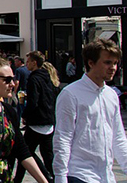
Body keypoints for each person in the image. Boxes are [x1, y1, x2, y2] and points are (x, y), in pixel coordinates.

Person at [53, 39, 127, 183]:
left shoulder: (111, 94)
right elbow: (63, 137)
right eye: (107, 62)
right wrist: (60, 176)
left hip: (106, 176)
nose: (113, 67)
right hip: (80, 174)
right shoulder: (71, 94)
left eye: (115, 63)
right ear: (91, 63)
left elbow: (118, 137)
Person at [13, 51, 55, 183]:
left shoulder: (34, 78)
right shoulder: (47, 77)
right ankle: (53, 176)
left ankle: (45, 176)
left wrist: (25, 115)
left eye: (28, 61)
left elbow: (33, 101)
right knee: (47, 154)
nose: (26, 64)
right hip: (49, 119)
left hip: (37, 120)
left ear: (34, 63)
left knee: (25, 152)